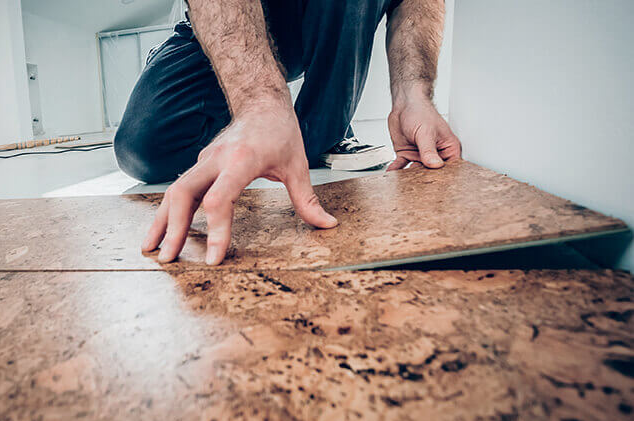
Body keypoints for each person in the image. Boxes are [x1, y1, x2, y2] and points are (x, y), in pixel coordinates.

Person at [114, 0, 462, 266]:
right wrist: (258, 103)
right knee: (143, 149)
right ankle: (254, 120)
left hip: (329, 13)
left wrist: (413, 93)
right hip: (240, 14)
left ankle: (319, 133)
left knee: (315, 143)